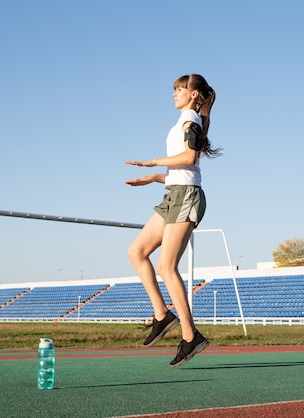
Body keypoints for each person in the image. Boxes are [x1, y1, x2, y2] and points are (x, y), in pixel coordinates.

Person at [125, 74, 221, 367]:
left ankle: (191, 337)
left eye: (179, 90)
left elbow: (189, 157)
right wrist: (154, 178)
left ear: (193, 95)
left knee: (167, 267)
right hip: (174, 195)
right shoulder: (186, 120)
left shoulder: (190, 119)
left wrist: (152, 162)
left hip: (186, 197)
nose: (174, 94)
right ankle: (162, 315)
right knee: (136, 252)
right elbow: (184, 168)